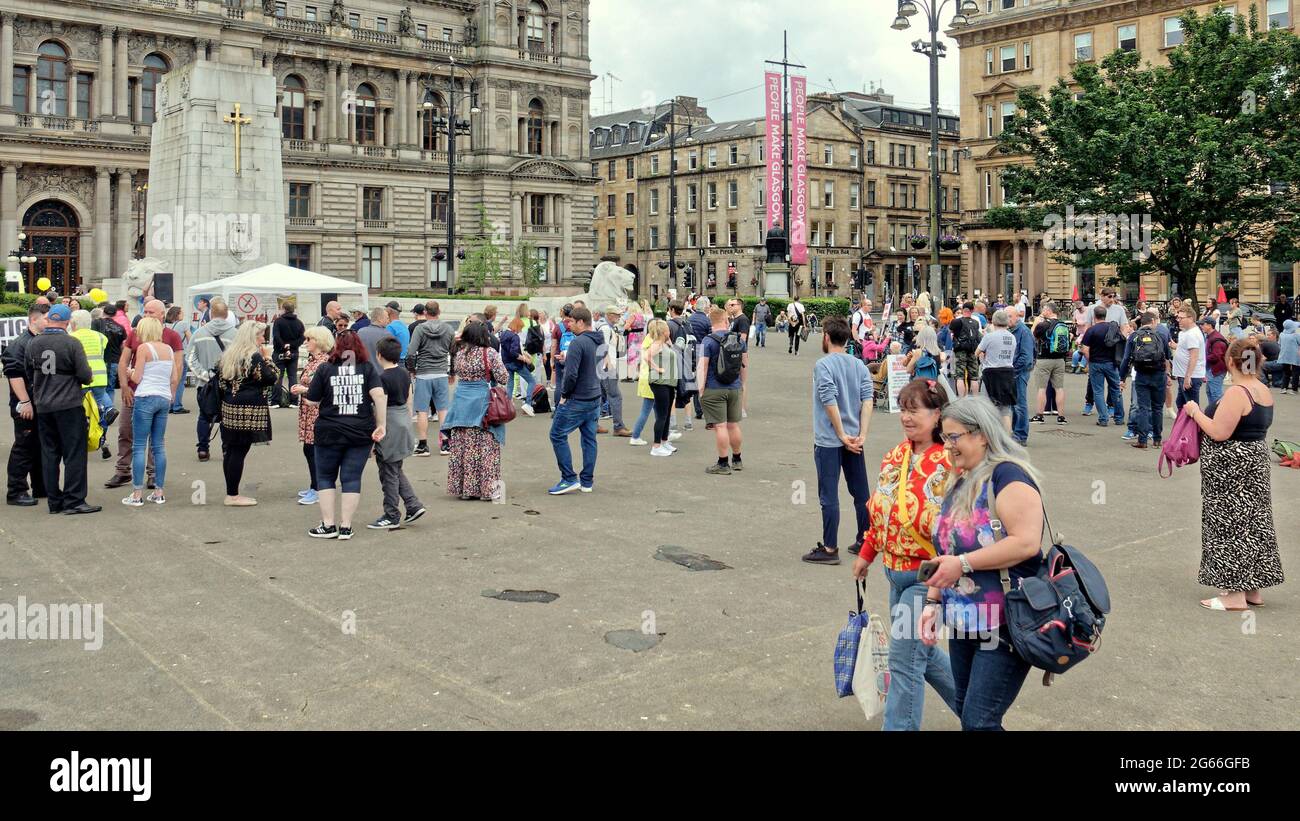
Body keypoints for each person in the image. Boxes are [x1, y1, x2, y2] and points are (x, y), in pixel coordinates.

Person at [921, 396, 1046, 731]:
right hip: (963, 620)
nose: (948, 446)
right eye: (945, 437)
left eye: (954, 437)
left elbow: (1026, 542)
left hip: (1004, 621)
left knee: (979, 721)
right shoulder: (962, 477)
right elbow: (945, 546)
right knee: (968, 712)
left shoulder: (1009, 477)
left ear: (982, 435)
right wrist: (932, 603)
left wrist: (963, 563)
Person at [851, 378, 958, 729]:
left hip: (929, 578)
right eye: (904, 410)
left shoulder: (951, 462)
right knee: (919, 656)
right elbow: (880, 508)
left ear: (937, 414)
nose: (907, 418)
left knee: (904, 661)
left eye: (916, 411)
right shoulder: (897, 455)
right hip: (894, 573)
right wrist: (867, 552)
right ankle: (979, 714)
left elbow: (959, 525)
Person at [1182, 338, 1283, 612]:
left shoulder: (1238, 392)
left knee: (1230, 526)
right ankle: (1252, 589)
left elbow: (1219, 431)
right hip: (1255, 464)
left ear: (1229, 362)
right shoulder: (1262, 389)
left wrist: (1194, 412)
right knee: (1254, 525)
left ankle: (1234, 595)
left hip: (1231, 470)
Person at [803, 317, 874, 565]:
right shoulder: (859, 365)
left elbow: (828, 400)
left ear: (825, 337)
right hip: (855, 438)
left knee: (829, 494)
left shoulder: (823, 365)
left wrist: (841, 434)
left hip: (829, 440)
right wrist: (861, 433)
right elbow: (867, 399)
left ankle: (830, 547)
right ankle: (865, 539)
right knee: (861, 492)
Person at [303, 329, 386, 538]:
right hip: (360, 431)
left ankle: (328, 525)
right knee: (351, 478)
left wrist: (305, 394)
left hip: (329, 431)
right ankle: (346, 526)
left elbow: (312, 401)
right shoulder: (366, 369)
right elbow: (379, 395)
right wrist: (381, 424)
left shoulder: (325, 369)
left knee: (326, 477)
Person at [24, 304, 99, 515]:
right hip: (68, 404)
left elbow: (28, 371)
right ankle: (74, 500)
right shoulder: (72, 343)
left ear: (48, 320)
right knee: (74, 453)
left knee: (49, 453)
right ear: (67, 322)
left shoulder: (34, 343)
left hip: (44, 405)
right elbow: (85, 375)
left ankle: (54, 501)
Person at [107, 300, 183, 489]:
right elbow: (123, 361)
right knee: (125, 431)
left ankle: (152, 473)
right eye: (145, 312)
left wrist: (172, 392)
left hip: (155, 393)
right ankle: (123, 470)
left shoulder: (171, 336)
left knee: (154, 438)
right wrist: (124, 386)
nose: (147, 315)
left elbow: (178, 366)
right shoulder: (135, 334)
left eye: (151, 312)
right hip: (134, 392)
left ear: (162, 314)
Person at [443, 321, 509, 500]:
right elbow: (503, 376)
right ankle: (489, 491)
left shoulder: (460, 354)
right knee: (486, 448)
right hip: (482, 404)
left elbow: (456, 372)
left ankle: (467, 490)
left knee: (464, 448)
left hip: (461, 403)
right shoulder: (490, 353)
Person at [216, 321, 279, 507]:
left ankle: (231, 491)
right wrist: (268, 358)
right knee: (239, 451)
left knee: (231, 449)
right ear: (252, 336)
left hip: (229, 405)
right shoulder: (254, 356)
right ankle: (233, 495)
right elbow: (271, 378)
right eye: (260, 335)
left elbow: (221, 383)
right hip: (249, 408)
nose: (263, 339)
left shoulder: (229, 355)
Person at [368, 336, 425, 529]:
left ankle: (391, 513)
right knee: (395, 468)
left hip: (389, 422)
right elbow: (409, 400)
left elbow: (379, 405)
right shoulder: (404, 374)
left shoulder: (381, 378)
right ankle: (412, 504)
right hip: (403, 420)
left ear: (379, 355)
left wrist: (377, 427)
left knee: (388, 472)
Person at [121, 317, 177, 506]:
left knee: (138, 446)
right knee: (158, 446)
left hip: (145, 397)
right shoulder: (168, 349)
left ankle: (137, 494)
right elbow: (174, 377)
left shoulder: (144, 348)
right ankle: (159, 492)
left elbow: (137, 378)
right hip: (163, 397)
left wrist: (129, 373)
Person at [548, 307, 602, 495]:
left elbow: (571, 374)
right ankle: (587, 481)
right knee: (589, 439)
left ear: (580, 322)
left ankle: (569, 478)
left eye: (570, 321)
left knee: (557, 434)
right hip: (594, 396)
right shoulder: (598, 340)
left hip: (578, 398)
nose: (567, 324)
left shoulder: (578, 343)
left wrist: (564, 394)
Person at [5, 304, 49, 507]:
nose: (49, 323)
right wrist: (25, 402)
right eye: (46, 319)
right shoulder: (20, 344)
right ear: (34, 320)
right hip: (26, 404)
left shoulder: (38, 341)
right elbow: (14, 375)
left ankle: (40, 486)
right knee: (24, 447)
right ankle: (16, 491)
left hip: (39, 403)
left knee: (39, 446)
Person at [186, 298, 239, 462]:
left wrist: (203, 374)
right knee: (227, 418)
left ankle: (203, 449)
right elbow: (241, 360)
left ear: (210, 313)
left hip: (205, 384)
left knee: (204, 416)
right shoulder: (235, 334)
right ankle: (226, 449)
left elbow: (190, 358)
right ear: (226, 315)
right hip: (228, 383)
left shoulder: (199, 333)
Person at [698, 307, 747, 474]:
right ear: (726, 321)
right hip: (734, 387)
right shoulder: (739, 340)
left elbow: (703, 367)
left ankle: (723, 463)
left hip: (714, 387)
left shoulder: (708, 341)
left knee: (720, 426)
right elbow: (744, 365)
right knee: (733, 425)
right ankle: (738, 459)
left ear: (710, 322)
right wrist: (742, 384)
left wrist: (701, 389)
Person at [290, 326, 332, 505]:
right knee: (309, 449)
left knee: (313, 450)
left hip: (317, 411)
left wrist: (304, 389)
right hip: (308, 410)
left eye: (309, 340)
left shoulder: (324, 362)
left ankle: (318, 488)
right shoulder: (314, 360)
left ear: (319, 341)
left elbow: (325, 389)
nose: (305, 343)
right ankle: (314, 485)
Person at [1118, 312, 1171, 449]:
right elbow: (1168, 356)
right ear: (1153, 321)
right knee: (1157, 408)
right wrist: (1168, 375)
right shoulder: (1161, 335)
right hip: (1159, 374)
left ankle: (1142, 440)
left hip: (1141, 375)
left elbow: (1126, 359)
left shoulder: (1134, 336)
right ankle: (1157, 439)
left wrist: (1122, 377)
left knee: (1143, 407)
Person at [408, 301, 455, 456]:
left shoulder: (420, 329)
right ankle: (445, 444)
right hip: (441, 372)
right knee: (443, 409)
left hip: (423, 373)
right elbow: (453, 352)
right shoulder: (448, 329)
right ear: (439, 311)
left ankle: (422, 445)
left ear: (426, 312)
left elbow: (411, 352)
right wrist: (452, 372)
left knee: (422, 410)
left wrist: (412, 370)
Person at [69, 309, 116, 426]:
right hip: (99, 376)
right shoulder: (100, 337)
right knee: (100, 397)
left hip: (81, 378)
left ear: (74, 323)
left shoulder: (71, 337)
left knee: (82, 407)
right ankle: (109, 410)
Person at [1080, 305, 1124, 426]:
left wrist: (1090, 361)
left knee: (1098, 391)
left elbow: (1085, 349)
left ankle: (1103, 419)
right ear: (1106, 315)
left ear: (1094, 316)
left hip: (1096, 363)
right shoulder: (1112, 328)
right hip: (1111, 363)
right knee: (1116, 390)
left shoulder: (1092, 330)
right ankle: (1119, 417)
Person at [975, 309, 1017, 431]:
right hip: (1008, 372)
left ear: (993, 321)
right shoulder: (1012, 337)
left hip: (991, 373)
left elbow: (977, 353)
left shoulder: (989, 337)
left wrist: (984, 356)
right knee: (1005, 410)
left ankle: (989, 435)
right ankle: (1007, 438)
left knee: (986, 407)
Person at [1029, 301, 1070, 427]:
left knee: (1042, 388)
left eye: (1043, 310)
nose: (1042, 312)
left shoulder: (1043, 325)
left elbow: (1032, 335)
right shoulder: (1063, 325)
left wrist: (1037, 321)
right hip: (1060, 360)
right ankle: (1061, 417)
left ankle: (1039, 415)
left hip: (1044, 359)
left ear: (1048, 311)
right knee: (1059, 388)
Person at [644, 319, 680, 457]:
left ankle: (664, 441)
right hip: (660, 382)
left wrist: (669, 343)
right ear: (664, 331)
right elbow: (647, 357)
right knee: (662, 414)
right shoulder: (657, 344)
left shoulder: (664, 344)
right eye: (667, 329)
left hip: (668, 382)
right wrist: (657, 368)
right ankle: (656, 445)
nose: (669, 331)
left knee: (666, 414)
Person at [595, 306, 631, 436]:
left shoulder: (605, 327)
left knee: (599, 396)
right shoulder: (605, 328)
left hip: (602, 366)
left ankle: (594, 424)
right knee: (615, 396)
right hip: (607, 367)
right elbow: (603, 347)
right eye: (616, 315)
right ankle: (618, 427)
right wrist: (609, 364)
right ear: (609, 315)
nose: (619, 317)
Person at [1007, 305, 1036, 446]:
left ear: (1017, 316)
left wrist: (1014, 370)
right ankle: (1015, 432)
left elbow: (1026, 357)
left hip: (1019, 372)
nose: (1007, 320)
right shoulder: (1010, 330)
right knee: (1014, 404)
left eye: (1010, 317)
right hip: (1013, 372)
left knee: (1020, 404)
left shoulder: (1023, 332)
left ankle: (1020, 434)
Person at [499, 317, 537, 418]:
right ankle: (528, 403)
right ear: (517, 327)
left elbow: (508, 350)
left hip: (506, 362)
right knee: (531, 381)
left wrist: (523, 353)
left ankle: (508, 403)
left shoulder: (504, 334)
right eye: (520, 328)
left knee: (510, 382)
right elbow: (513, 352)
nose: (521, 330)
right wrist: (525, 359)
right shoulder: (515, 336)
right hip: (516, 363)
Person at [272, 298, 306, 408]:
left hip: (279, 352)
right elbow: (302, 338)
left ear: (283, 309)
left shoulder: (278, 321)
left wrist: (284, 345)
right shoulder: (299, 323)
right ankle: (294, 401)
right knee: (292, 376)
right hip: (294, 353)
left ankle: (275, 402)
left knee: (278, 376)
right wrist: (291, 346)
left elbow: (276, 336)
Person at [1170, 309, 1205, 411]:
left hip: (1190, 376)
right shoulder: (1186, 332)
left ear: (1190, 318)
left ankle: (1194, 426)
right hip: (1184, 374)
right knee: (1181, 403)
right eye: (1178, 317)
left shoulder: (1192, 334)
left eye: (1181, 318)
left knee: (1192, 408)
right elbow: (1186, 348)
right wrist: (1175, 346)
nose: (1178, 320)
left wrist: (1187, 377)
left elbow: (1194, 356)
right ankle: (1184, 426)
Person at [93, 303, 126, 403]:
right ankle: (109, 411)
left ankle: (100, 410)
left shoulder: (96, 323)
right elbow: (122, 346)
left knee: (98, 389)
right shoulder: (120, 328)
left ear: (103, 312)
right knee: (110, 388)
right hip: (115, 359)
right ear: (115, 314)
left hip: (100, 359)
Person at [950, 302, 982, 397]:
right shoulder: (976, 322)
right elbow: (978, 336)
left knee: (960, 376)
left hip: (960, 351)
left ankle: (962, 399)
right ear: (972, 310)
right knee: (974, 377)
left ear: (963, 309)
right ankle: (976, 399)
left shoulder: (956, 321)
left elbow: (951, 333)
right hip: (972, 351)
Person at [164, 304, 192, 414]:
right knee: (179, 380)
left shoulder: (164, 325)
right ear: (178, 314)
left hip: (167, 356)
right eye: (182, 312)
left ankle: (168, 405)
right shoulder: (183, 324)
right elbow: (190, 339)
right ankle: (177, 405)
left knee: (168, 380)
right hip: (180, 354)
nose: (183, 314)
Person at [1198, 317, 1229, 406]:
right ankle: (1213, 412)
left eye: (1203, 324)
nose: (1201, 326)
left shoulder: (1216, 339)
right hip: (1213, 370)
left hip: (1216, 370)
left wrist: (1202, 358)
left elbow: (1216, 356)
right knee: (1210, 392)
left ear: (1209, 325)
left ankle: (1219, 413)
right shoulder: (1211, 336)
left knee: (1216, 394)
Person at [623, 301, 646, 381]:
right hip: (641, 336)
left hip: (633, 337)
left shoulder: (632, 316)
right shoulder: (641, 316)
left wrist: (627, 326)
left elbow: (626, 327)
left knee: (631, 356)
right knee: (640, 356)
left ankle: (629, 376)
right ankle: (640, 375)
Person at [1278, 320, 1300, 394]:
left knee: (1286, 372)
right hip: (1295, 355)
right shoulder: (1296, 335)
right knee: (1295, 372)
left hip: (1284, 355)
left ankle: (1283, 388)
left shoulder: (1281, 334)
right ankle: (1294, 389)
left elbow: (1279, 344)